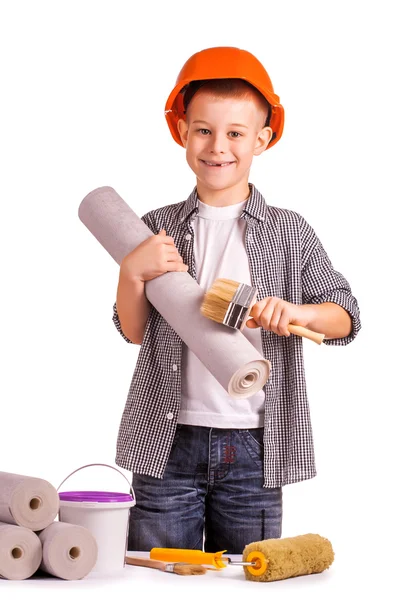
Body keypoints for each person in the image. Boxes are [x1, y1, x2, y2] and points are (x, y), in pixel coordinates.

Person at [112, 46, 361, 553]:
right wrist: (130, 272)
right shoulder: (156, 227)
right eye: (203, 129)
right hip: (166, 438)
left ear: (262, 140)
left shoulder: (289, 232)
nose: (217, 146)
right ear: (182, 131)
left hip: (255, 445)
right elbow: (135, 331)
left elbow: (345, 317)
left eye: (235, 133)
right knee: (160, 577)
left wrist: (296, 312)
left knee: (249, 579)